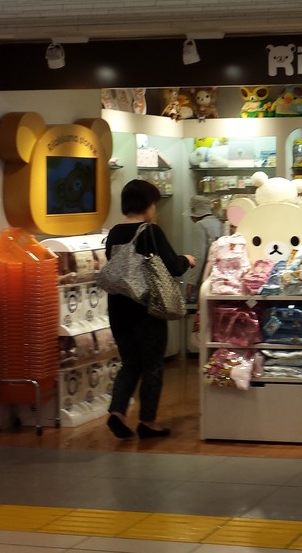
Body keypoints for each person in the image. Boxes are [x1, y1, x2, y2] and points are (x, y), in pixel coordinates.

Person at [104, 179, 195, 440]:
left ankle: (117, 413)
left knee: (130, 363)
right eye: (154, 204)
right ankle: (148, 421)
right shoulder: (150, 231)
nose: (154, 209)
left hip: (118, 308)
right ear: (147, 205)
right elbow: (172, 266)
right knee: (152, 365)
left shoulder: (114, 232)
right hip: (146, 308)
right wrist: (187, 260)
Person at [186, 195, 223, 292]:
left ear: (195, 213)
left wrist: (191, 281)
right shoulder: (219, 223)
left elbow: (199, 256)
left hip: (204, 275)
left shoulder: (200, 225)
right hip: (219, 274)